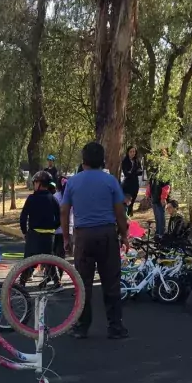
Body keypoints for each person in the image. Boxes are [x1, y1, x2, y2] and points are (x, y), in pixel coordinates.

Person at [60, 141, 128, 339]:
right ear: (102, 160)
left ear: (83, 161)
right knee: (111, 281)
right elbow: (120, 212)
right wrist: (124, 235)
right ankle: (115, 326)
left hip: (83, 236)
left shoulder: (72, 182)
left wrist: (66, 237)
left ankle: (82, 327)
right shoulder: (111, 181)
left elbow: (64, 210)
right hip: (107, 234)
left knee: (82, 283)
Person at [19, 169, 60, 259]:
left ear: (39, 184)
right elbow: (59, 217)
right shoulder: (52, 199)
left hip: (34, 236)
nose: (34, 184)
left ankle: (27, 273)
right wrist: (52, 227)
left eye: (35, 182)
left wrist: (25, 232)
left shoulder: (31, 198)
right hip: (49, 237)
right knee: (50, 262)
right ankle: (52, 271)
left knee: (28, 264)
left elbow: (23, 217)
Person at [147, 159, 170, 237]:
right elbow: (150, 184)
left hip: (160, 200)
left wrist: (163, 198)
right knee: (157, 217)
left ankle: (161, 233)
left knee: (161, 217)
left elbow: (166, 186)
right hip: (154, 198)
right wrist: (148, 194)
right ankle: (158, 233)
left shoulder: (164, 173)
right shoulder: (153, 173)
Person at [121, 146, 142, 215]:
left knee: (132, 202)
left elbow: (140, 171)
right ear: (128, 152)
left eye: (134, 152)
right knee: (127, 202)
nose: (133, 153)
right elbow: (126, 173)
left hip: (135, 184)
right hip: (127, 185)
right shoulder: (125, 161)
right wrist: (134, 172)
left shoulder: (137, 161)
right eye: (131, 151)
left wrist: (133, 172)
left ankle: (130, 213)